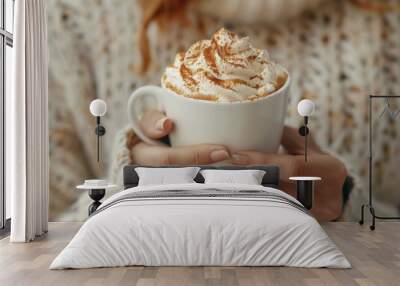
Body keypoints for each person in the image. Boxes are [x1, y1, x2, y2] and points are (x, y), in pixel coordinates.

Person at [47, 0, 400, 221]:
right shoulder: (72, 15)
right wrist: (124, 196)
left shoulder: (389, 23)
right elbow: (39, 243)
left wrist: (346, 207)